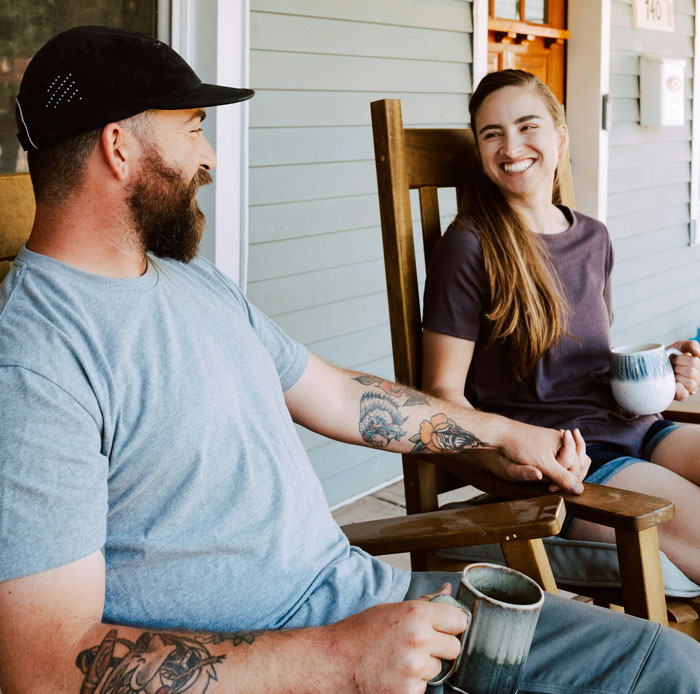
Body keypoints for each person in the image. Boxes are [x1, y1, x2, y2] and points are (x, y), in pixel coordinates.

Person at [0, 27, 698, 694]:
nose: (208, 158)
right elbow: (45, 671)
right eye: (191, 128)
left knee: (668, 665)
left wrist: (502, 433)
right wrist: (338, 660)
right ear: (119, 148)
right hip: (295, 659)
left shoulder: (194, 284)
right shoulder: (35, 359)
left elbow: (337, 396)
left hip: (377, 603)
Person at [422, 68, 700, 585]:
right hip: (568, 460)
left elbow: (587, 360)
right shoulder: (470, 248)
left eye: (528, 126)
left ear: (560, 136)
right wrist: (500, 452)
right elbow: (440, 393)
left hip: (638, 428)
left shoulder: (593, 236)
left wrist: (659, 375)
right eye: (492, 134)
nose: (511, 147)